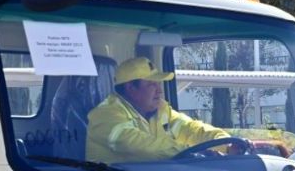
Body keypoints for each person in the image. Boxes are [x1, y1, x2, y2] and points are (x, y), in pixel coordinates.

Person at [86, 56, 231, 163]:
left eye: (158, 84)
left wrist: (225, 144)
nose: (159, 90)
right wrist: (191, 153)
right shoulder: (106, 114)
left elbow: (191, 129)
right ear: (130, 88)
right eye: (151, 84)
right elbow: (140, 146)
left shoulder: (160, 110)